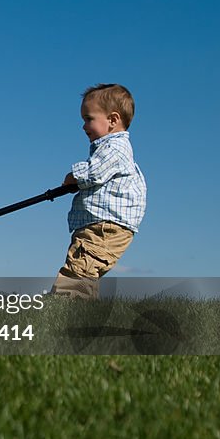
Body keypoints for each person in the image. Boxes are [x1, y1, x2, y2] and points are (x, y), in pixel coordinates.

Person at [51, 83, 147, 299]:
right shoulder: (108, 149)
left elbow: (93, 172)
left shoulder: (115, 148)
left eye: (89, 118)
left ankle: (60, 312)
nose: (84, 126)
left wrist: (72, 177)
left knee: (78, 272)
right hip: (100, 225)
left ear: (113, 120)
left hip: (105, 227)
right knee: (84, 271)